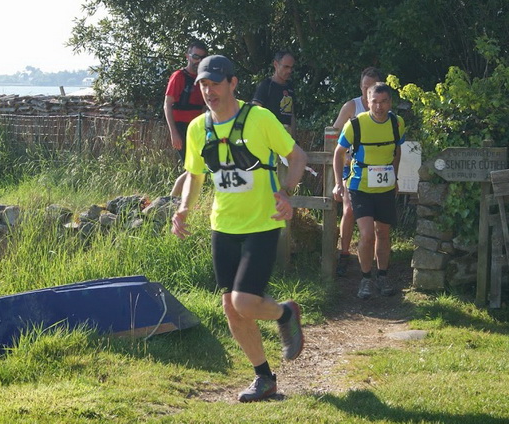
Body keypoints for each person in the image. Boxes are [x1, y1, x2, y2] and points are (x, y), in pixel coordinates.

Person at [171, 55, 308, 402]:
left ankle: (285, 313)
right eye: (203, 84)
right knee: (231, 308)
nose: (208, 90)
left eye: (215, 83)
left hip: (262, 223)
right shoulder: (197, 128)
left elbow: (297, 157)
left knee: (244, 302)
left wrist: (287, 192)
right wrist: (185, 207)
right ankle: (265, 378)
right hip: (224, 225)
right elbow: (195, 174)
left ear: (233, 83)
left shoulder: (259, 118)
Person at [332, 82, 405, 299]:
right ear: (367, 100)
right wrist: (338, 183)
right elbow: (338, 153)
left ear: (390, 102)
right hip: (360, 186)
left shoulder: (397, 123)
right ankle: (365, 280)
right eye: (375, 102)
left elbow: (397, 149)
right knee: (366, 234)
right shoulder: (355, 124)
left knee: (383, 232)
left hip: (384, 187)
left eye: (384, 102)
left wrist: (395, 175)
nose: (379, 107)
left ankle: (382, 276)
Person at [332, 67, 384, 277]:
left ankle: (375, 261)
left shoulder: (383, 107)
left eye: (372, 87)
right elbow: (333, 132)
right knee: (349, 209)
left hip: (376, 168)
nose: (368, 92)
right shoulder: (352, 106)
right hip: (351, 167)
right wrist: (344, 156)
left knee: (376, 216)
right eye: (365, 88)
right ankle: (344, 254)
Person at [164, 40, 208, 197]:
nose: (199, 61)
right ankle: (171, 200)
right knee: (192, 168)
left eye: (203, 57)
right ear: (187, 56)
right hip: (181, 126)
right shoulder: (178, 76)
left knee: (198, 166)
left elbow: (204, 106)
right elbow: (167, 105)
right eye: (196, 56)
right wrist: (174, 133)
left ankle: (178, 201)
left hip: (197, 127)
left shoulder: (204, 79)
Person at [252, 50, 296, 136]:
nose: (289, 71)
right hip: (267, 137)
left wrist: (294, 140)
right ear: (276, 64)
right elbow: (254, 111)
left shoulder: (290, 87)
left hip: (285, 139)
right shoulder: (266, 86)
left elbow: (292, 115)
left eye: (291, 67)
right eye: (286, 67)